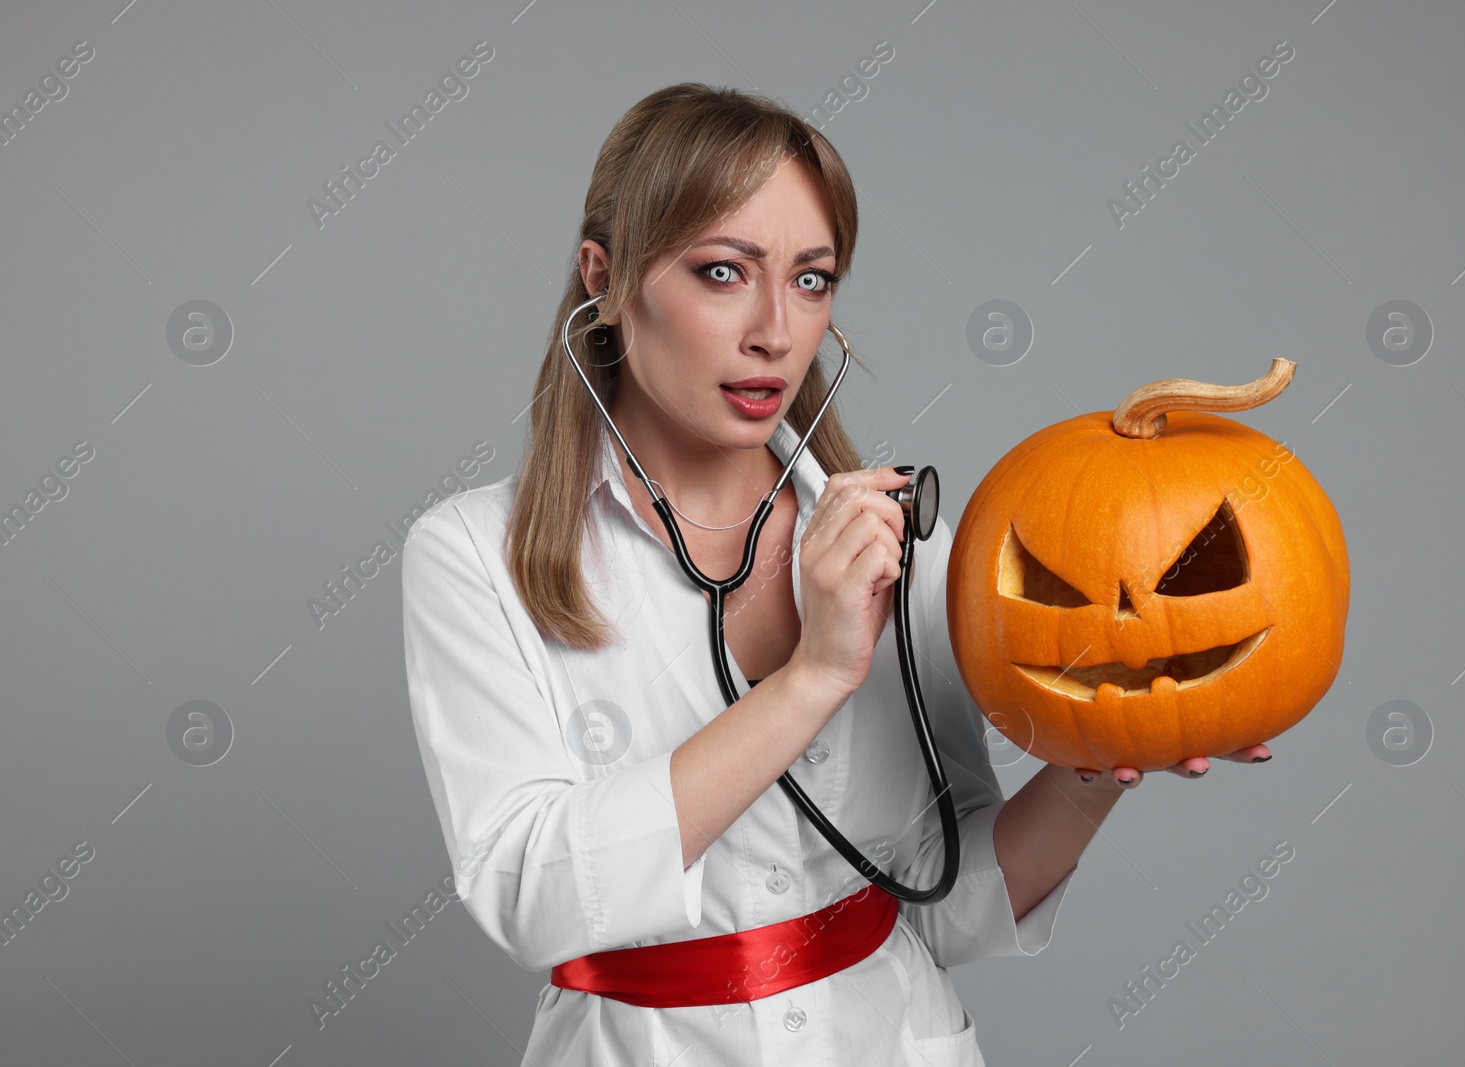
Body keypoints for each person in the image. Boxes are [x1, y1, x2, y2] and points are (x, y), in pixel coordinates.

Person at [400, 82, 1271, 1066]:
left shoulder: (896, 544)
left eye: (811, 279)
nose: (774, 327)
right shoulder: (474, 554)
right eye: (723, 271)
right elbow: (538, 896)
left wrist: (1099, 761)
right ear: (604, 278)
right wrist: (814, 674)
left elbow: (950, 907)